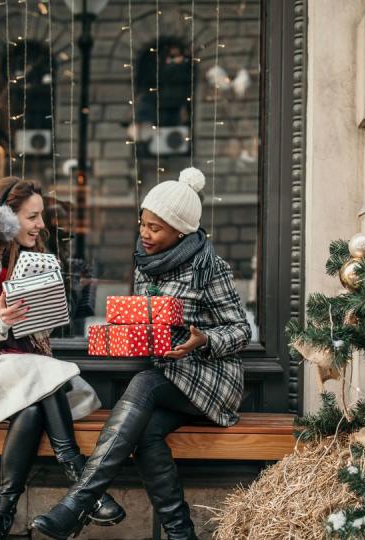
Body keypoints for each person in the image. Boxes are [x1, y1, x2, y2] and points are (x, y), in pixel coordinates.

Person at [31, 168, 251, 540]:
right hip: (168, 378)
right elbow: (144, 319)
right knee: (146, 433)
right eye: (143, 224)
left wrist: (204, 340)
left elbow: (241, 330)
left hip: (210, 377)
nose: (145, 234)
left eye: (155, 228)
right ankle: (181, 535)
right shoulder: (146, 265)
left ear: (181, 231)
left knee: (143, 383)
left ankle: (78, 502)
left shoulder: (209, 268)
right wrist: (125, 332)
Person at [0, 177, 125, 539]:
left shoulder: (30, 263)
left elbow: (35, 330)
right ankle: (84, 485)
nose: (41, 225)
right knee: (42, 376)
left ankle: (1, 516)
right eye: (32, 217)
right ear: (5, 217)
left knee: (34, 404)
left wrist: (46, 313)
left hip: (24, 375)